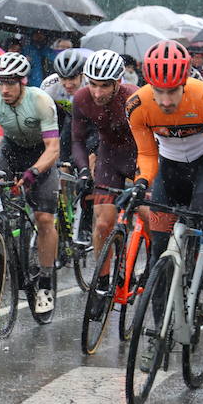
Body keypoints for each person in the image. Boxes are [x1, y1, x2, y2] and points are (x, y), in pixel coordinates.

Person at [125, 41, 203, 337]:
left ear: (184, 83)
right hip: (170, 168)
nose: (165, 101)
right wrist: (141, 184)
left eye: (172, 91)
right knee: (157, 257)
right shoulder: (137, 106)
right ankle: (157, 333)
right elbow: (148, 155)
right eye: (159, 91)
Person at [0, 51, 61, 313]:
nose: (4, 89)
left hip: (41, 157)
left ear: (22, 81)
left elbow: (53, 149)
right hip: (10, 151)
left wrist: (33, 173)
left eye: (10, 83)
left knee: (45, 219)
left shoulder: (40, 101)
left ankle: (46, 283)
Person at [71, 49, 139, 303]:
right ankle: (102, 281)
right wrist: (82, 171)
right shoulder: (82, 98)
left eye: (104, 87)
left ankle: (159, 270)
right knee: (102, 224)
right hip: (109, 158)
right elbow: (77, 140)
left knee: (150, 219)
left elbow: (152, 142)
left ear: (118, 82)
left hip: (139, 155)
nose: (97, 93)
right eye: (93, 85)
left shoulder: (133, 97)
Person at [42, 47, 89, 166]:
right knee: (63, 157)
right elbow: (42, 117)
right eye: (63, 78)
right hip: (67, 118)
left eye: (72, 78)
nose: (68, 84)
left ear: (82, 75)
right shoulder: (49, 86)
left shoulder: (90, 85)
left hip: (90, 120)